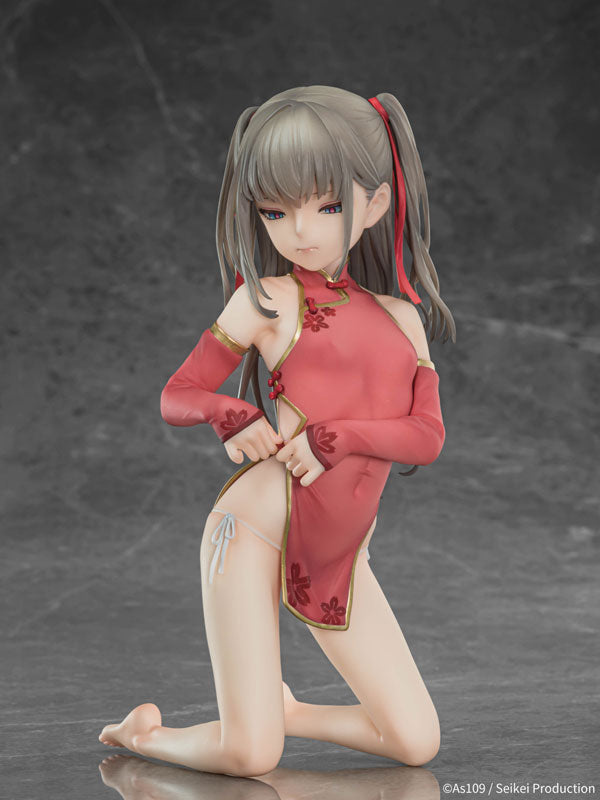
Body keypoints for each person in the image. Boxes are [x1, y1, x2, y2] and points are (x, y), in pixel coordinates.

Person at [99, 85, 456, 777]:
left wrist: (333, 438)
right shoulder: (265, 302)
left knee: (415, 742)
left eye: (328, 206)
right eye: (275, 211)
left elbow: (426, 437)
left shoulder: (402, 318)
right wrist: (233, 414)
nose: (300, 230)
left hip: (341, 549)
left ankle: (285, 710)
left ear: (375, 204)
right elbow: (179, 394)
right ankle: (143, 737)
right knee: (249, 754)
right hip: (257, 526)